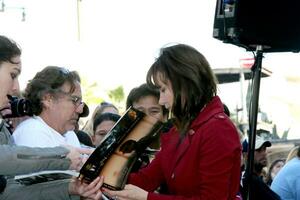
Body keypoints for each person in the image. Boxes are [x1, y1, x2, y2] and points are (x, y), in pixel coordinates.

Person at [103, 43, 242, 199]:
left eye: (163, 90)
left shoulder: (217, 129)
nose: (161, 101)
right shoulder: (179, 130)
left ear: (184, 84)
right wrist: (100, 175)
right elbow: (146, 179)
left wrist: (147, 198)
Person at [0, 35, 103, 199]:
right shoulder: (31, 132)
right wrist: (61, 156)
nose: (16, 88)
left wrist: (71, 188)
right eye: (13, 75)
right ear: (47, 99)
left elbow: (8, 194)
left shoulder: (3, 132)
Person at [12, 66, 82, 148]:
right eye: (74, 100)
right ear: (48, 99)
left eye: (80, 102)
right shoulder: (32, 132)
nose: (80, 110)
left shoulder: (70, 134)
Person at [241, 135, 281, 200]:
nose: (264, 153)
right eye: (259, 150)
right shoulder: (251, 179)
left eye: (264, 149)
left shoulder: (252, 178)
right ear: (246, 155)